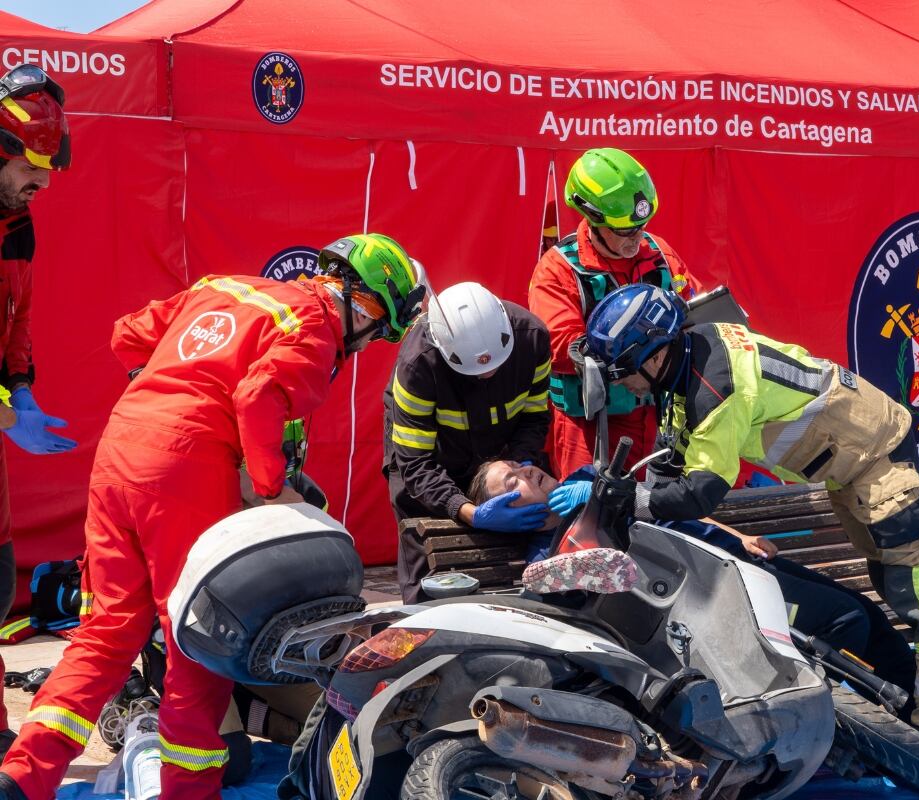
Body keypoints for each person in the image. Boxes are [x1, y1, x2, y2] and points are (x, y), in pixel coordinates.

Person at [0, 233, 426, 799]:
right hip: (188, 470)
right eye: (375, 332)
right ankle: (188, 792)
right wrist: (273, 492)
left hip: (120, 451)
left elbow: (128, 336)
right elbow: (257, 398)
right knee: (196, 641)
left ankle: (24, 776)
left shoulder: (223, 287)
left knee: (106, 631)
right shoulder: (316, 323)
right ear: (366, 304)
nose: (367, 343)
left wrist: (173, 388)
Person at [576, 284, 919, 767]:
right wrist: (628, 492)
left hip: (877, 464)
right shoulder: (692, 355)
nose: (622, 385)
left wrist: (636, 499)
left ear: (652, 357)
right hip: (856, 471)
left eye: (624, 372)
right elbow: (673, 458)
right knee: (913, 587)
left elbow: (701, 492)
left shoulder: (712, 388)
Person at [467, 458, 918, 703]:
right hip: (714, 599)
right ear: (506, 512)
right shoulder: (550, 559)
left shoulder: (590, 479)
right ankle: (864, 728)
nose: (527, 471)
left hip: (735, 558)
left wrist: (739, 535)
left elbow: (668, 506)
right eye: (513, 481)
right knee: (844, 621)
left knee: (862, 608)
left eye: (523, 464)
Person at [528, 148, 701, 479]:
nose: (637, 237)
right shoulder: (558, 269)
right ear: (592, 219)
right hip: (590, 425)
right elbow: (563, 348)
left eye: (642, 225)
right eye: (624, 230)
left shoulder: (660, 254)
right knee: (589, 517)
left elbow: (691, 303)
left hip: (659, 415)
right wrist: (637, 356)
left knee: (659, 515)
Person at [384, 282, 552, 601]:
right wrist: (467, 511)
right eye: (475, 371)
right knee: (425, 552)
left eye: (494, 366)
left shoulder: (532, 337)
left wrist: (520, 465)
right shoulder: (418, 364)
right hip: (433, 453)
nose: (486, 376)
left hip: (502, 446)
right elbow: (416, 463)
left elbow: (534, 416)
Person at [0, 64, 76, 757]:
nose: (43, 183)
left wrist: (19, 387)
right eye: (33, 166)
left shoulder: (18, 225)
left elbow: (16, 322)